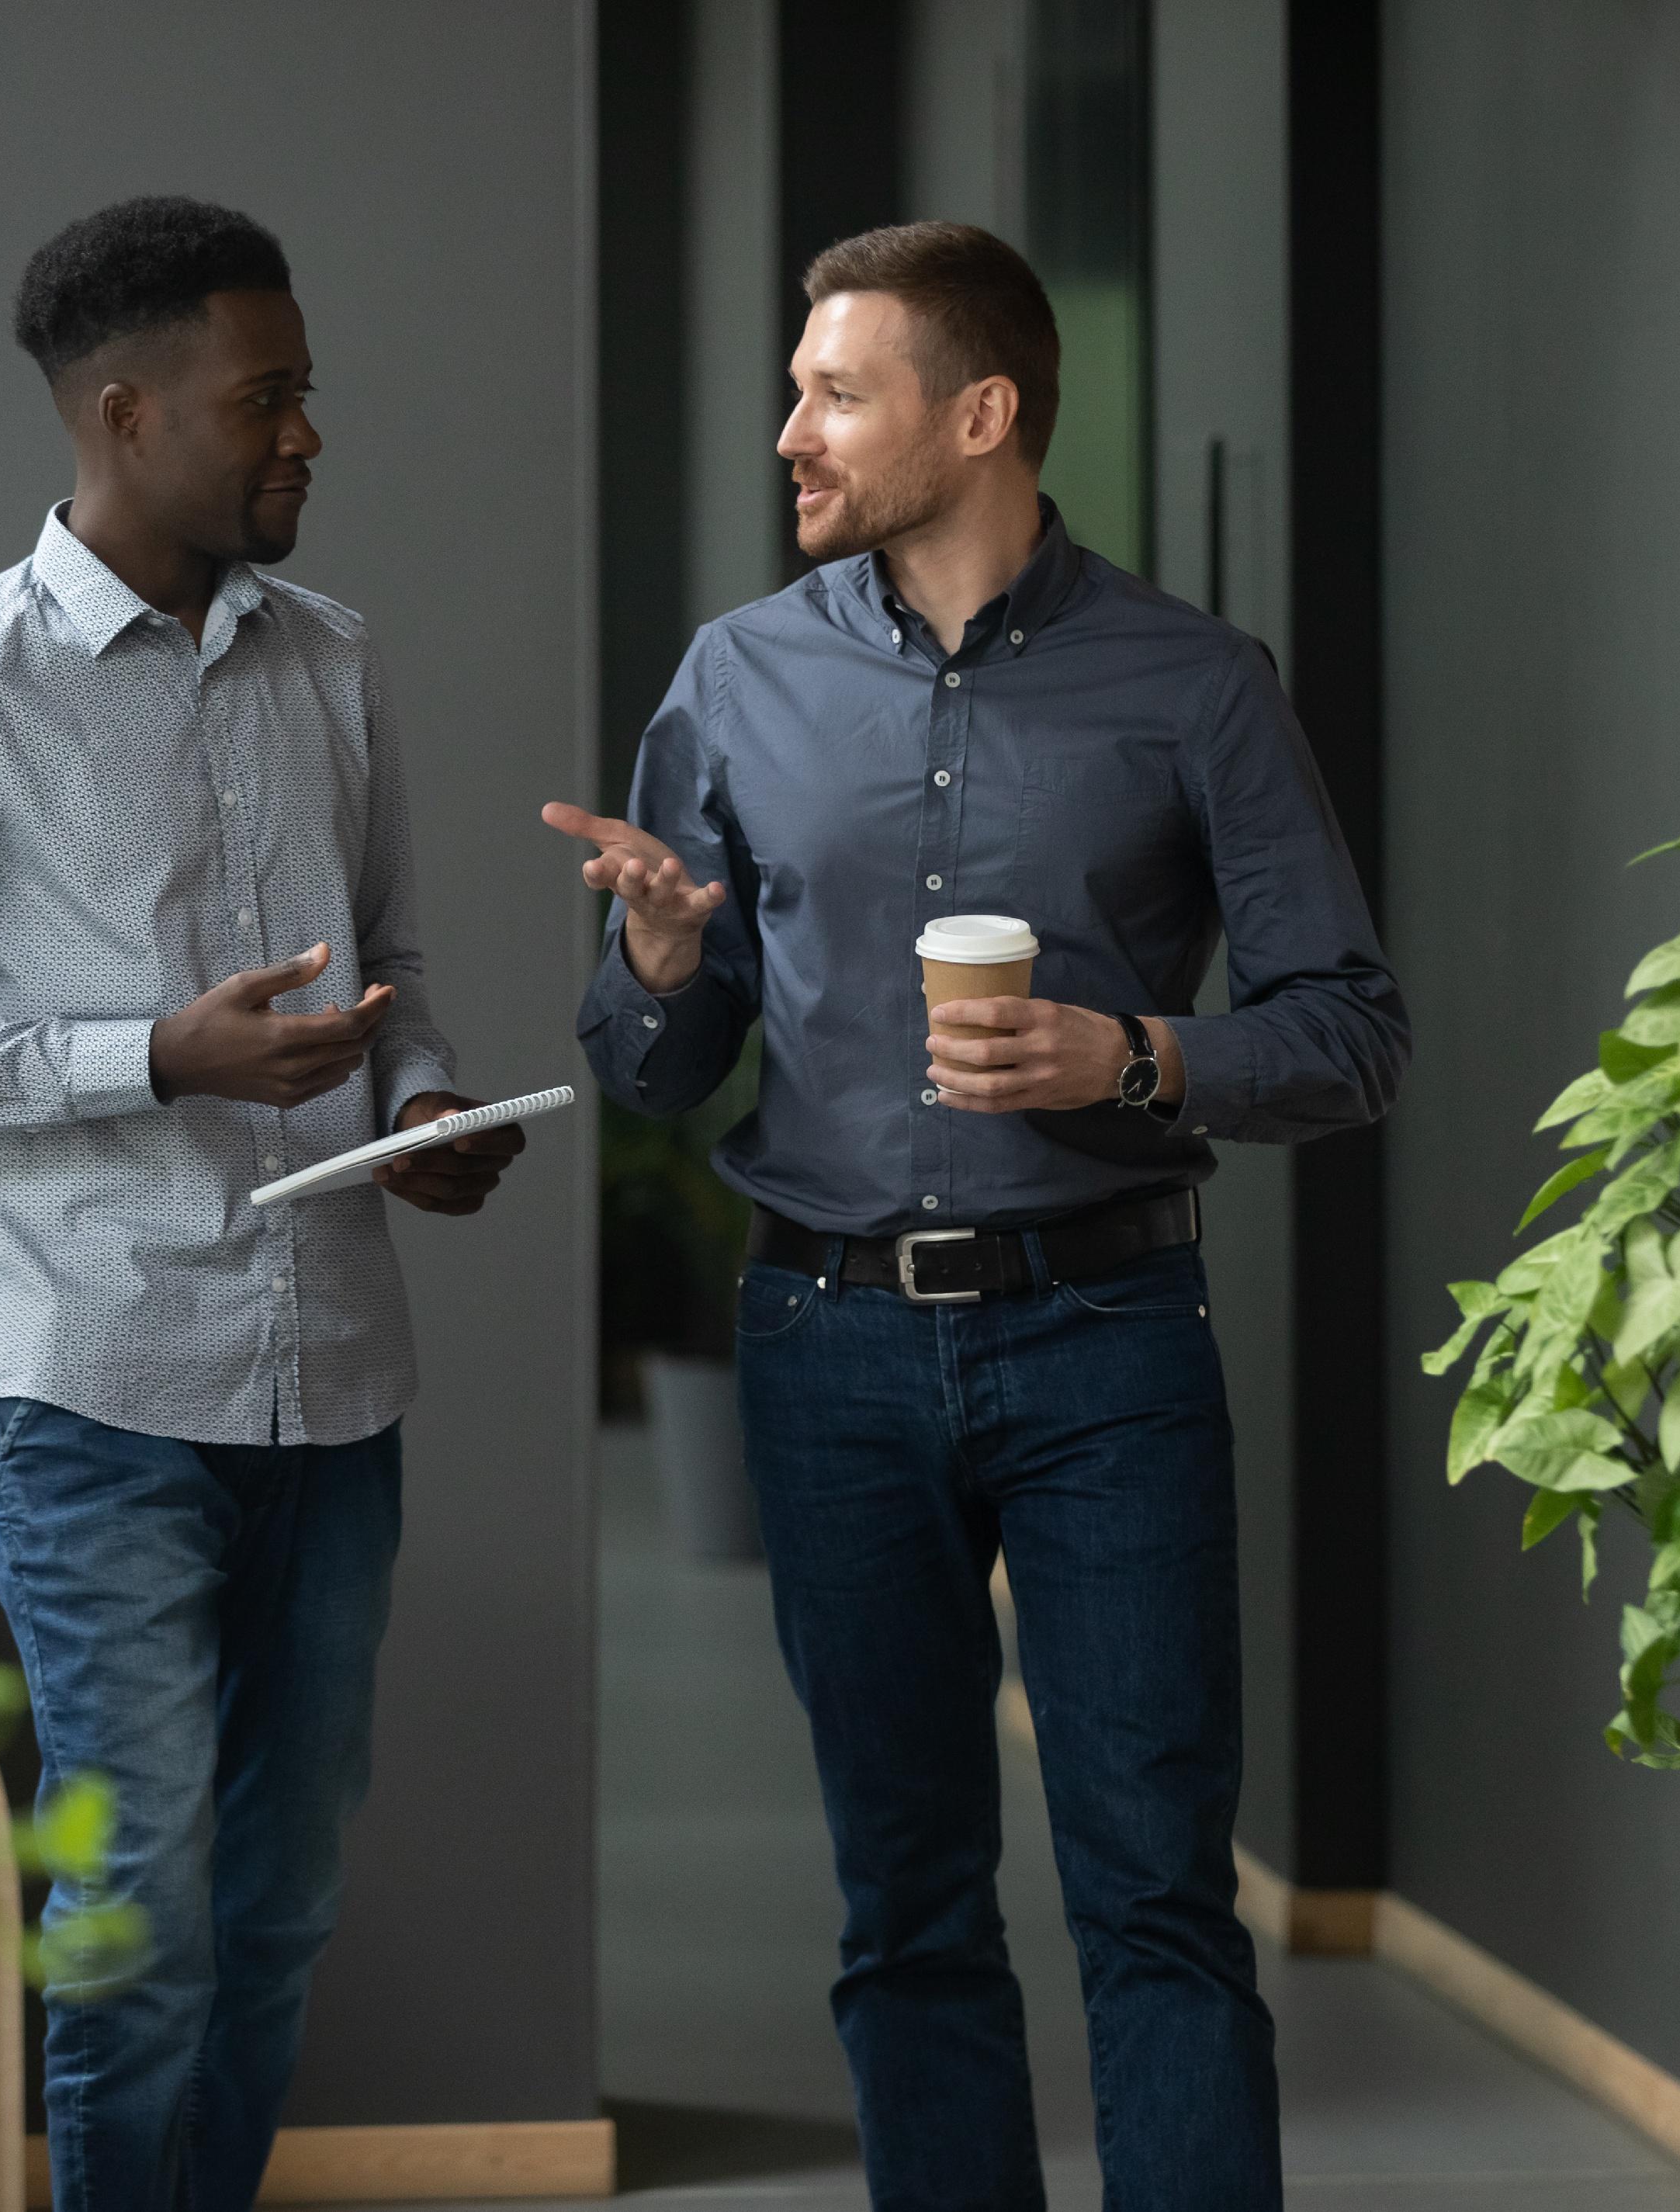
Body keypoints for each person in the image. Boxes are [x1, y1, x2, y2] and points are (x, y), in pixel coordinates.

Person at [549, 221, 1406, 2209]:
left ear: (982, 412)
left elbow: (1353, 1033)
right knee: (907, 1906)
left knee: (1156, 1900)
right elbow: (655, 1073)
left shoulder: (1191, 685)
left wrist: (1132, 1061)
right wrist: (669, 969)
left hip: (1106, 1342)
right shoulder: (736, 679)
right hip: (825, 1347)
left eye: (835, 392)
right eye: (795, 388)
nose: (792, 431)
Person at [0, 196, 525, 2212]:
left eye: (308, 394)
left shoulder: (335, 663)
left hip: (338, 1384)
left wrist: (429, 1092)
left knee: (273, 1915)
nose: (305, 436)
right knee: (138, 1919)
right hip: (96, 1388)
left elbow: (398, 965)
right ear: (122, 411)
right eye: (262, 399)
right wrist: (153, 1057)